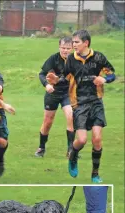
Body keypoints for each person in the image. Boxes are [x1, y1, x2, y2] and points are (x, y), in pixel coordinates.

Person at [47, 30, 115, 183]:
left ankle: (95, 174)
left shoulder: (98, 57)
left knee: (97, 139)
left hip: (96, 101)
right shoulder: (71, 59)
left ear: (86, 43)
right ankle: (73, 155)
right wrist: (56, 79)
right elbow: (65, 77)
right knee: (82, 140)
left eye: (76, 42)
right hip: (79, 103)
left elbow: (112, 75)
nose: (73, 45)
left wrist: (104, 80)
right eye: (73, 42)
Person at [35, 37, 75, 158]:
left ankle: (71, 150)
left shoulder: (75, 60)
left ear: (72, 48)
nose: (65, 50)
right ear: (59, 47)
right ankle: (41, 148)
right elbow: (41, 74)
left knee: (71, 115)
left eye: (68, 48)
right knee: (48, 122)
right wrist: (47, 85)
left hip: (67, 93)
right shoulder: (53, 59)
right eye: (63, 48)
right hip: (52, 93)